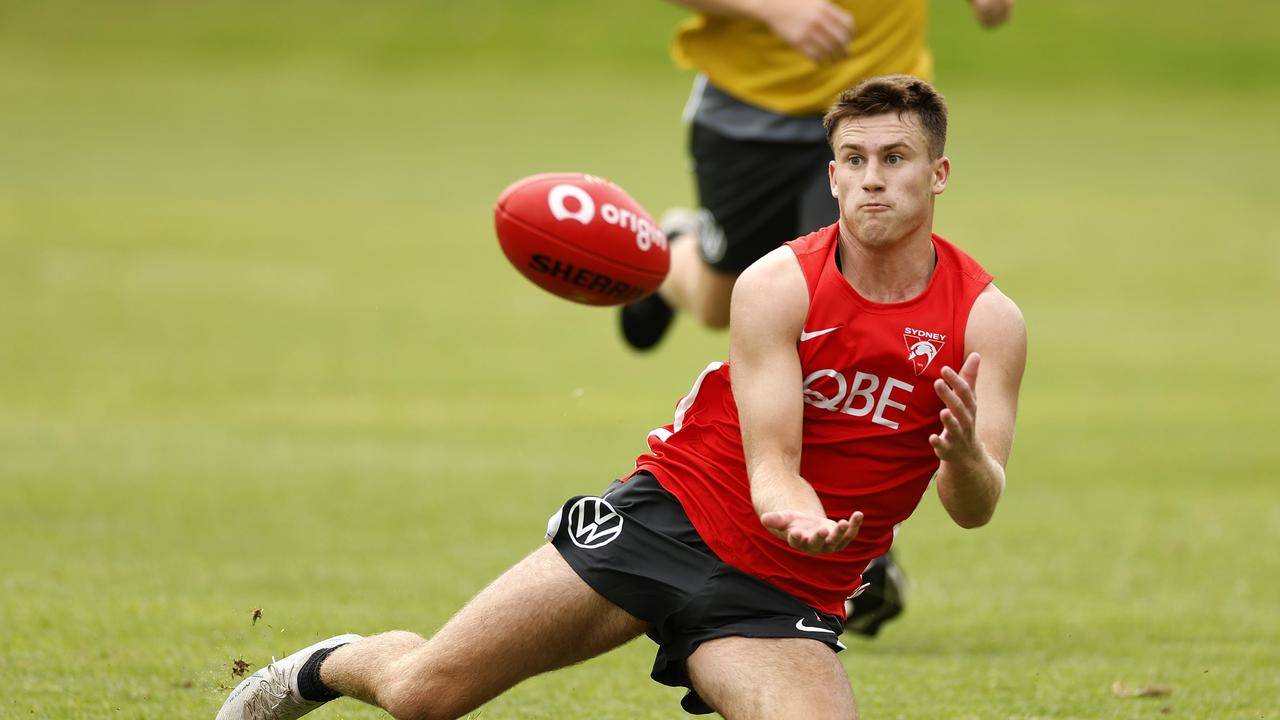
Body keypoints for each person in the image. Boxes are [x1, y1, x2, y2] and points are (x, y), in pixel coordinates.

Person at [216, 75, 1027, 720]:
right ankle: (319, 667)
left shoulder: (986, 321)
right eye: (854, 159)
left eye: (895, 158)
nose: (872, 179)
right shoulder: (779, 284)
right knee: (425, 695)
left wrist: (961, 458)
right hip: (671, 521)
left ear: (939, 172)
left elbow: (974, 505)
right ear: (832, 174)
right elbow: (772, 461)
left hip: (783, 595)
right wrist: (801, 514)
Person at [622, 0, 1013, 636]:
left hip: (871, 115)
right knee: (727, 299)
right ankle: (675, 260)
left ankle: (857, 549)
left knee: (837, 288)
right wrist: (776, 11)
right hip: (749, 106)